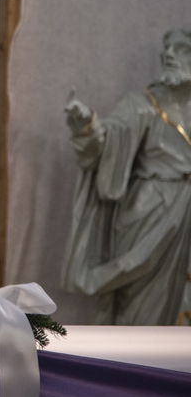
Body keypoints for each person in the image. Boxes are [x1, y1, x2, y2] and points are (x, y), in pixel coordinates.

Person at [62, 27, 191, 325]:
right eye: (167, 49)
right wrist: (88, 126)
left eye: (181, 49)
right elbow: (107, 142)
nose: (168, 54)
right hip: (149, 214)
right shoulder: (142, 106)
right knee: (139, 308)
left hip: (185, 216)